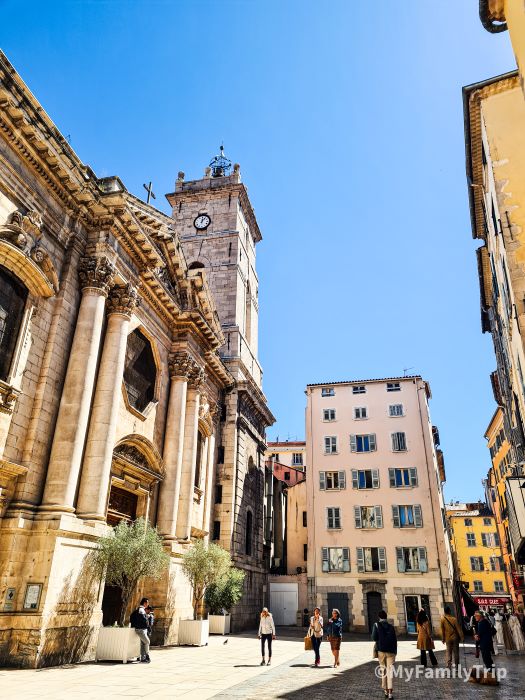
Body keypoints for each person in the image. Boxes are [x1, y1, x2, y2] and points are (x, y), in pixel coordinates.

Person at [371, 610, 397, 700]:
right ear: (386, 617)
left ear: (379, 617)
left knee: (383, 671)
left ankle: (385, 690)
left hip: (381, 651)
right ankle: (390, 693)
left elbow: (374, 638)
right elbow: (395, 640)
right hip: (391, 652)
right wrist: (395, 652)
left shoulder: (376, 625)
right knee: (390, 672)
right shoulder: (391, 627)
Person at [130, 597, 151, 663]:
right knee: (147, 642)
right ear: (145, 603)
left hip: (141, 629)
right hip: (140, 629)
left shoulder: (141, 609)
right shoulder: (141, 610)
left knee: (143, 643)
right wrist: (147, 618)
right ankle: (147, 656)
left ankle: (143, 658)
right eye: (147, 603)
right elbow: (143, 620)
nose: (148, 604)